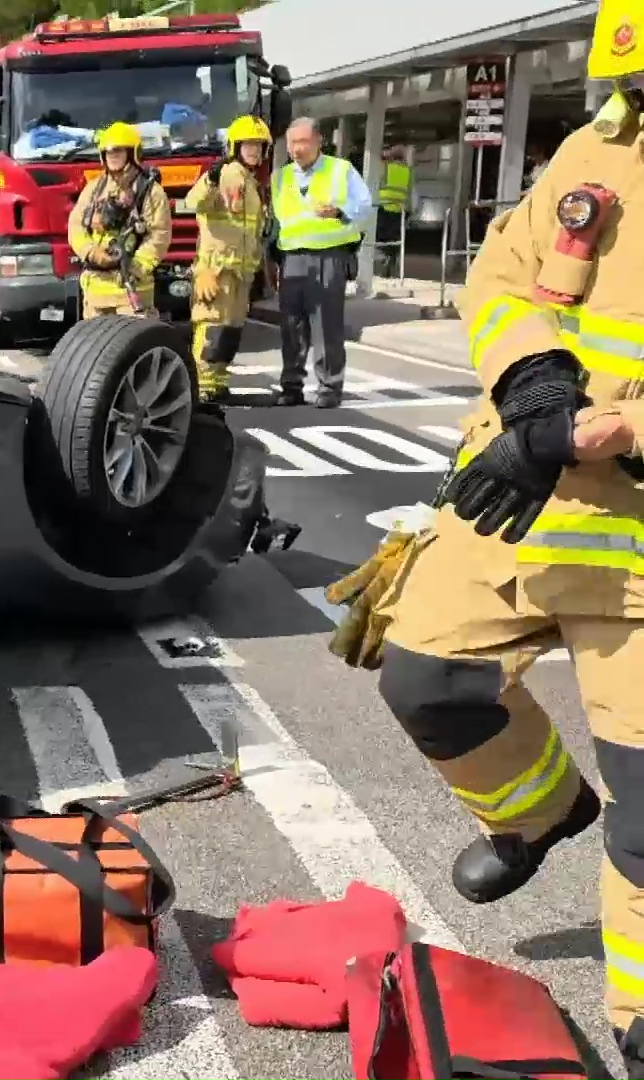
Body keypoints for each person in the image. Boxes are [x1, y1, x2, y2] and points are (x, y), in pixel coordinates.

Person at [358, 4, 644, 1067]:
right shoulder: (602, 141)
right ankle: (539, 813)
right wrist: (533, 386)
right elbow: (502, 275)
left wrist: (615, 427)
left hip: (637, 533)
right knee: (425, 678)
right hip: (527, 495)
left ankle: (639, 1014)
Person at [270, 116, 370, 409]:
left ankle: (329, 387)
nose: (296, 149)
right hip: (291, 259)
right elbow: (275, 223)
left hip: (329, 256)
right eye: (291, 144)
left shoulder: (341, 170)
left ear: (318, 142)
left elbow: (364, 207)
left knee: (326, 325)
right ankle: (291, 386)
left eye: (302, 142)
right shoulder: (280, 177)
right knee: (291, 326)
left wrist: (340, 212)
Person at [184, 115, 271, 403]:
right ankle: (201, 389)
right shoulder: (226, 173)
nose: (254, 151)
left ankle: (217, 385)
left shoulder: (253, 183)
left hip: (240, 277)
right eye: (248, 145)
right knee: (212, 332)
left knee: (230, 334)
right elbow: (193, 202)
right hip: (217, 273)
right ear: (235, 146)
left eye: (259, 146)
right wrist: (210, 178)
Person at [67, 121, 169, 318]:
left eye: (119, 151)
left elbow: (159, 235)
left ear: (133, 153)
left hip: (131, 292)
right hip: (96, 291)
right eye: (108, 152)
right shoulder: (94, 189)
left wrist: (134, 268)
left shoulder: (150, 192)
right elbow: (76, 227)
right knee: (95, 347)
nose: (112, 156)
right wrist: (92, 252)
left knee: (134, 346)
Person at [375, 143, 411, 275]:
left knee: (378, 236)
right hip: (401, 210)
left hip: (384, 207)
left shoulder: (385, 168)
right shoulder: (408, 171)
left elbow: (376, 183)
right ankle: (391, 258)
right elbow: (412, 192)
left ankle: (384, 257)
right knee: (395, 239)